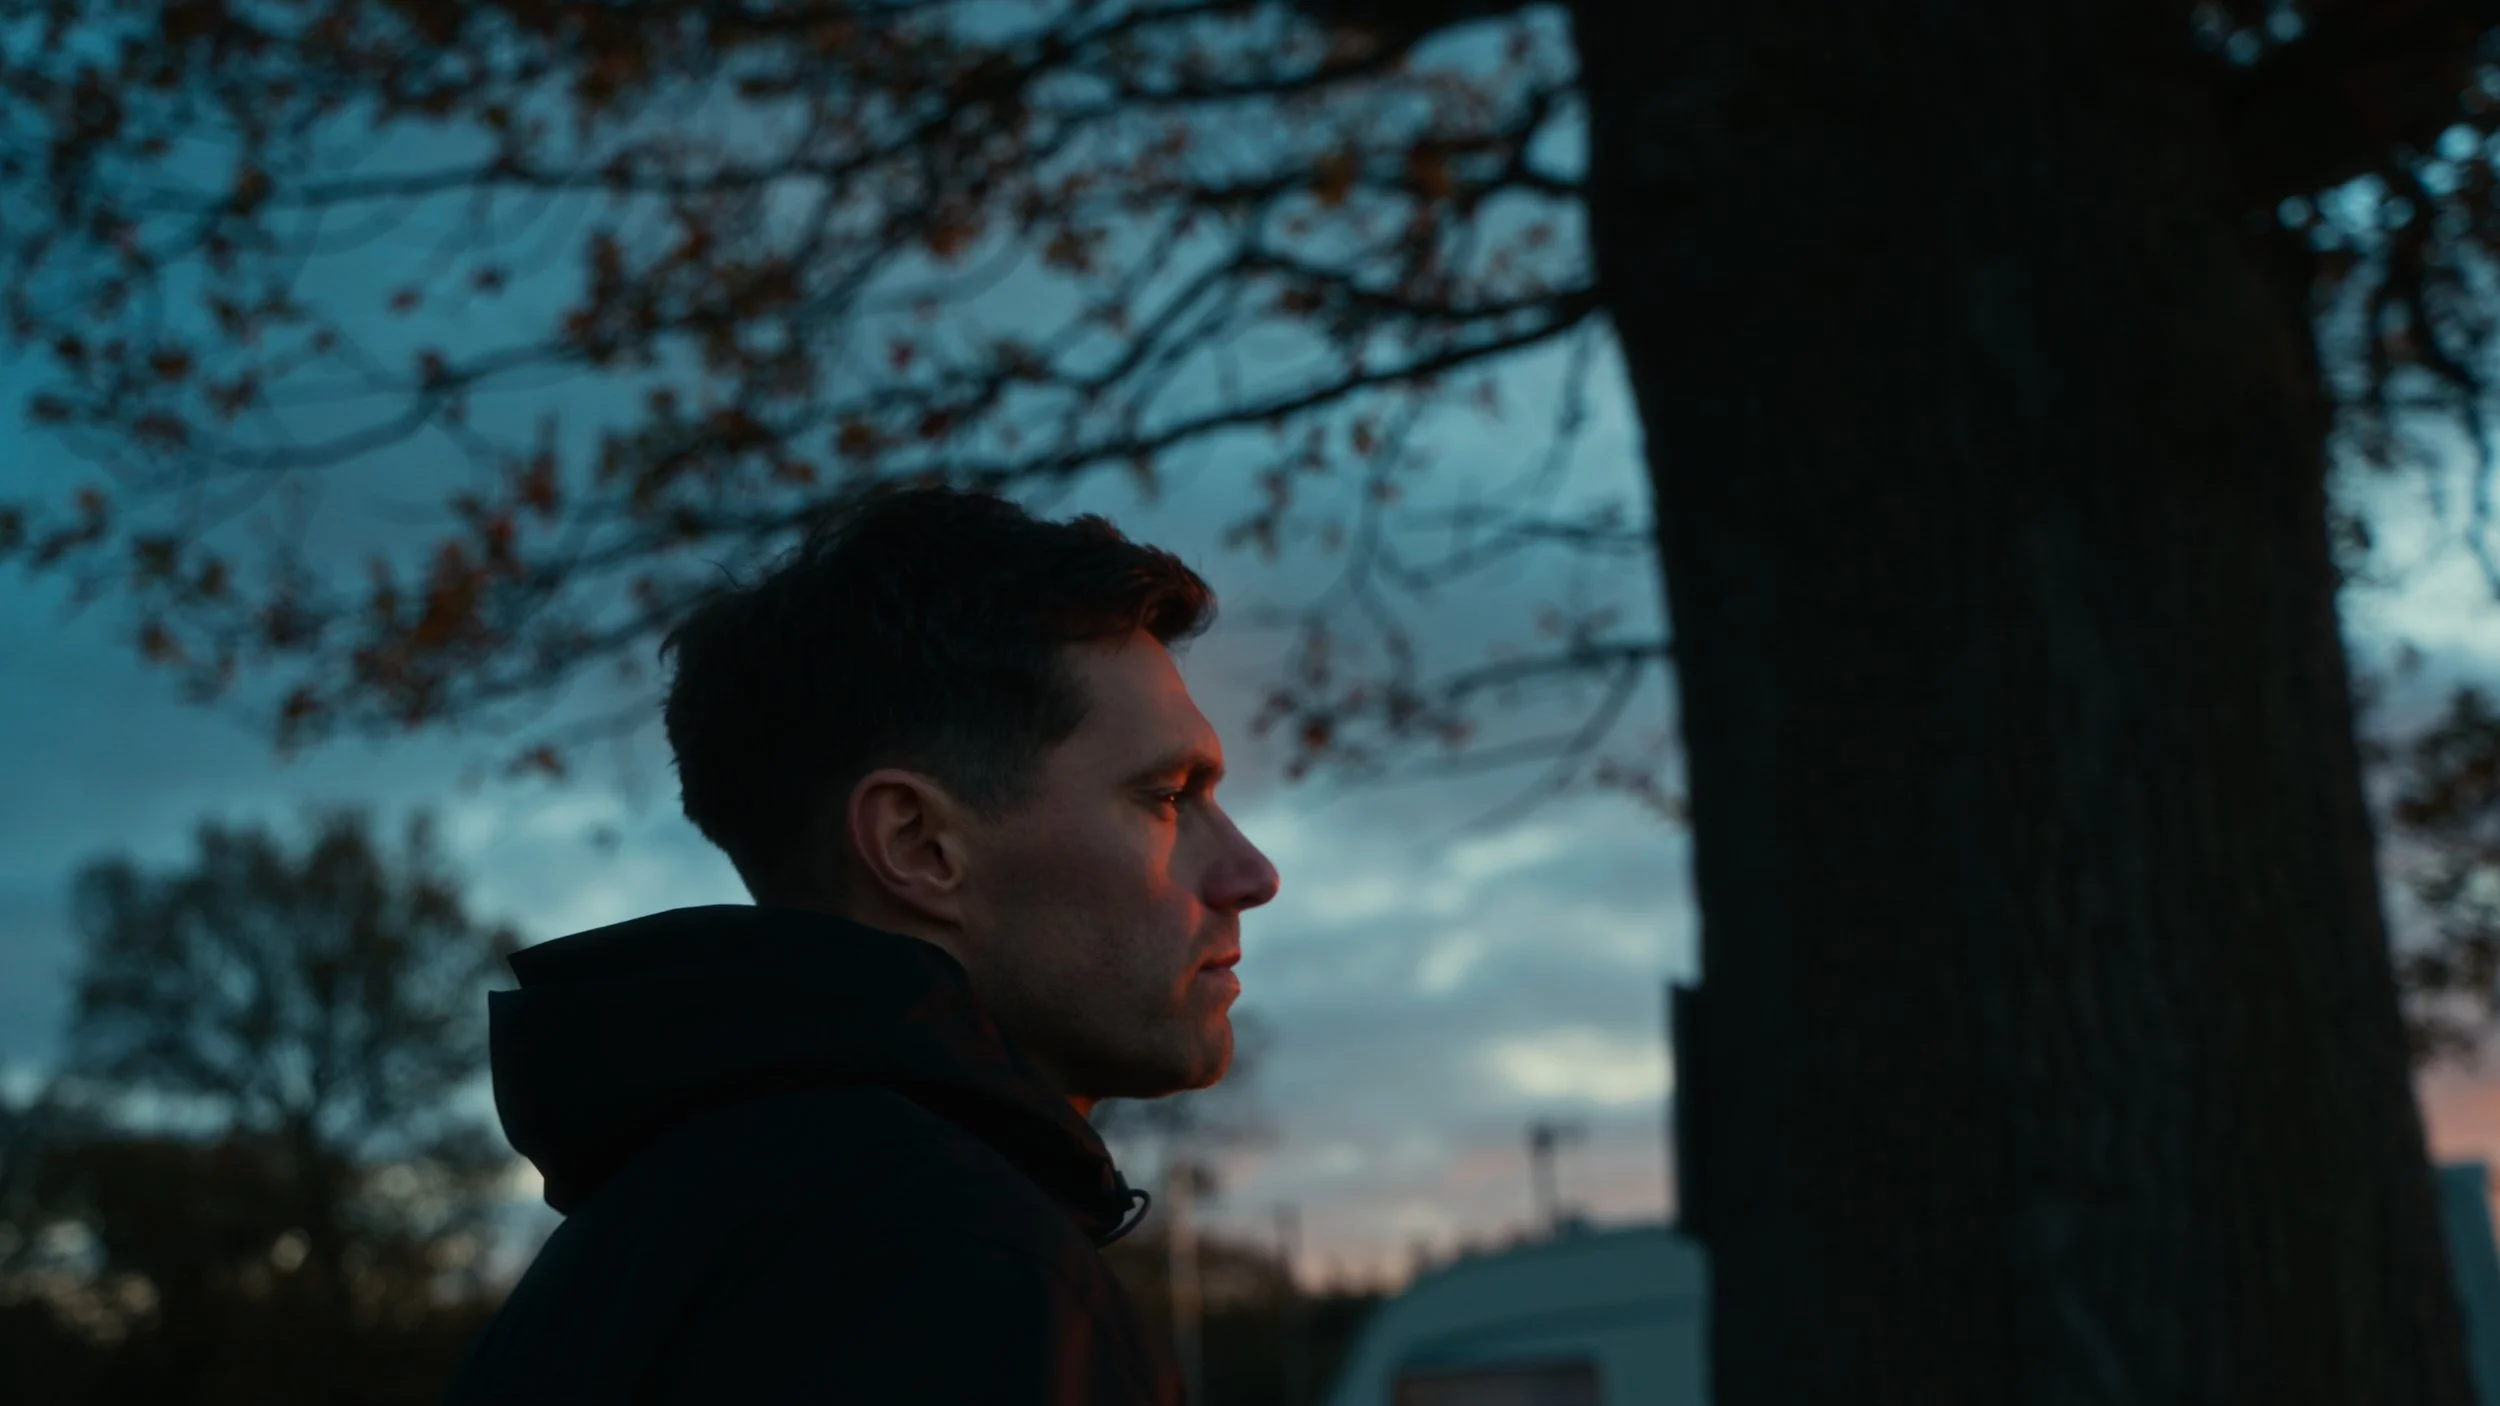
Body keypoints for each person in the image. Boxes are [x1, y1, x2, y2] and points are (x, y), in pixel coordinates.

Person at [443, 486, 1282, 1404]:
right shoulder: (952, 1276)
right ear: (918, 846)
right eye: (1167, 798)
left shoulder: (642, 1250)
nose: (1251, 873)